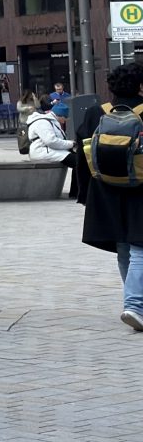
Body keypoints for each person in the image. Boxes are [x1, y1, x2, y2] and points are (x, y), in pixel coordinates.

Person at [75, 62, 143, 330]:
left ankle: (134, 303)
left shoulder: (96, 113)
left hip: (105, 190)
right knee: (140, 248)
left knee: (124, 248)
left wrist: (83, 193)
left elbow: (82, 154)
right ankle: (135, 305)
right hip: (140, 190)